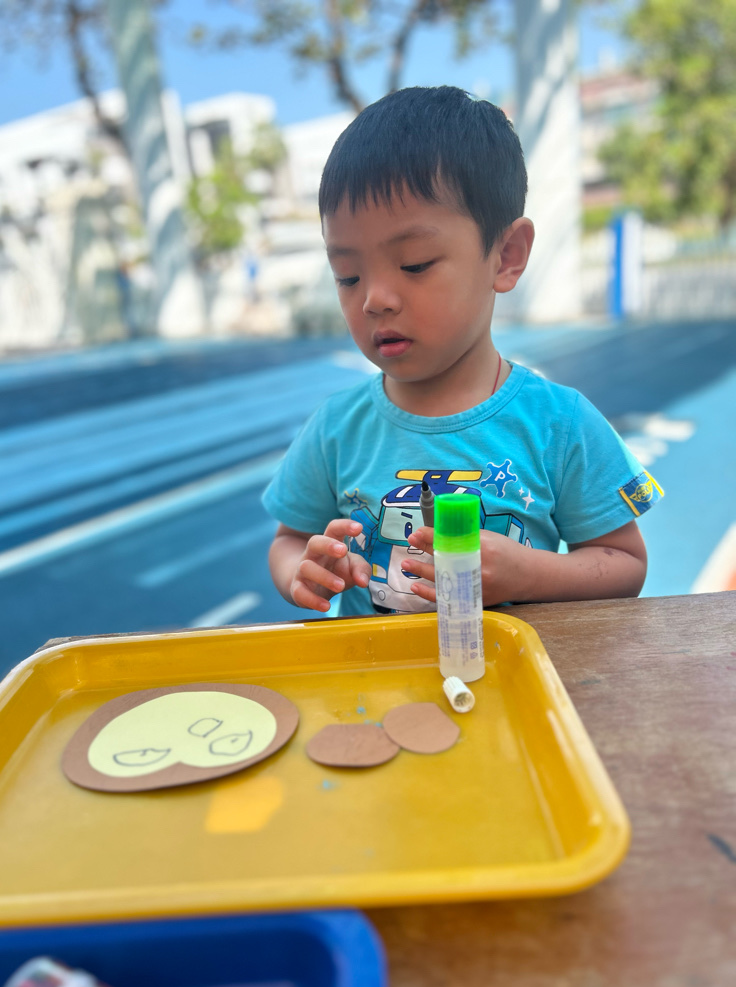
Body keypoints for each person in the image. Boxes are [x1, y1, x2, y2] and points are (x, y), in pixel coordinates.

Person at [262, 86, 663, 616]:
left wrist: (527, 573)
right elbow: (289, 539)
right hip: (373, 672)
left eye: (415, 264)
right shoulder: (336, 428)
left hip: (510, 667)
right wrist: (304, 570)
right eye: (348, 275)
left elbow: (625, 564)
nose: (375, 299)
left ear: (506, 256)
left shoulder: (559, 423)